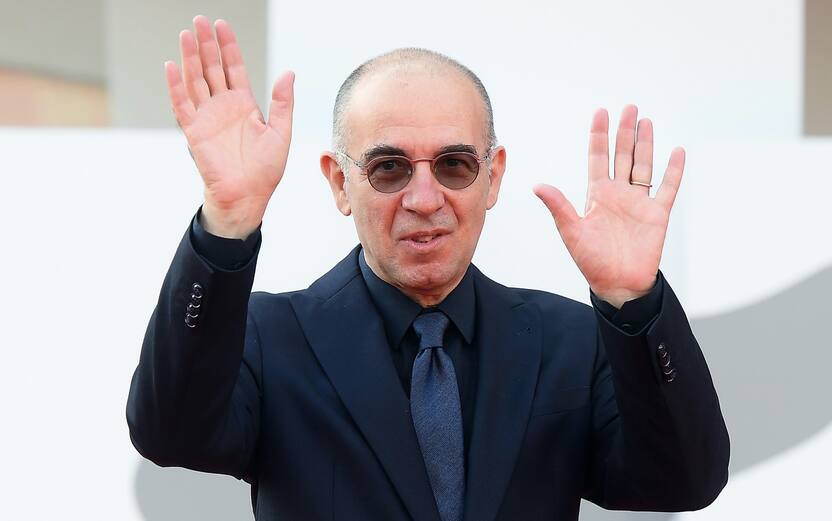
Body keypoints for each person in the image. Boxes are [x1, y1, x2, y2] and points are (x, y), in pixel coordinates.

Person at [126, 15, 729, 521]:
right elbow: (170, 433)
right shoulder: (270, 338)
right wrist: (227, 220)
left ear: (492, 178)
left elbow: (683, 482)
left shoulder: (569, 342)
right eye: (388, 168)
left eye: (454, 165)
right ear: (341, 183)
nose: (423, 198)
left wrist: (633, 298)